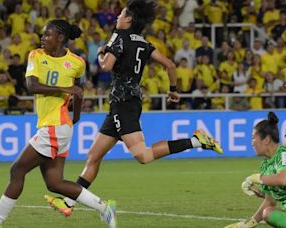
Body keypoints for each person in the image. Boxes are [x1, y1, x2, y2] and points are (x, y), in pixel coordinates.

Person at [45, 0, 222, 217]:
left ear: (128, 19)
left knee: (143, 156)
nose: (117, 17)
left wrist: (101, 52)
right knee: (93, 156)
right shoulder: (144, 43)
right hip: (125, 103)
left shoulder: (119, 36)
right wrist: (173, 89)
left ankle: (196, 140)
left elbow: (106, 65)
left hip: (124, 104)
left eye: (120, 14)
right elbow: (169, 65)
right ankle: (69, 203)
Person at [0, 19, 117, 228]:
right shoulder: (36, 55)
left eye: (47, 35)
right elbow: (32, 86)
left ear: (61, 38)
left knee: (16, 171)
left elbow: (79, 91)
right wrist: (65, 91)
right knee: (55, 183)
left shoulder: (77, 62)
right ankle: (104, 208)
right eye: (43, 35)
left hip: (57, 126)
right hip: (55, 126)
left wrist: (76, 115)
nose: (43, 38)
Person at [224, 112, 286, 228]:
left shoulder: (284, 153)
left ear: (266, 139)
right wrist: (248, 224)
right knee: (267, 212)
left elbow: (283, 179)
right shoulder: (265, 166)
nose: (252, 143)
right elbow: (270, 201)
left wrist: (256, 178)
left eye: (253, 138)